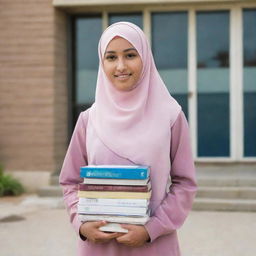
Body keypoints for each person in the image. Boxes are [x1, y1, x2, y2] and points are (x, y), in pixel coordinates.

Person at [59, 21, 197, 256]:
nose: (121, 66)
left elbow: (185, 183)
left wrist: (150, 229)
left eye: (130, 55)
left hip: (153, 245)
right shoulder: (88, 120)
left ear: (145, 57)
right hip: (98, 246)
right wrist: (81, 224)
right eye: (111, 57)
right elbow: (70, 181)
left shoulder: (171, 116)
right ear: (102, 63)